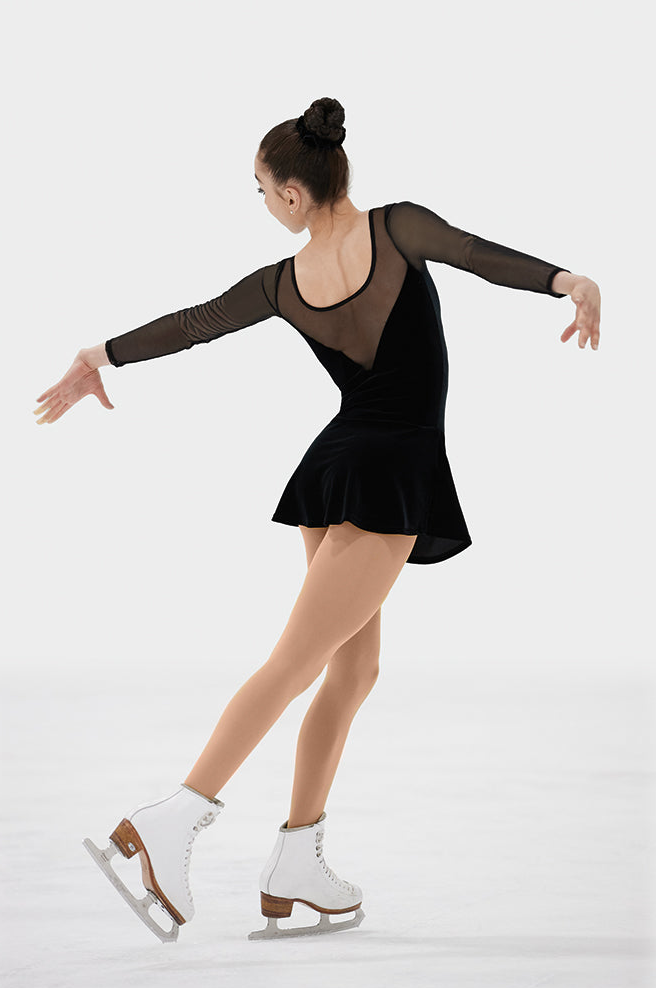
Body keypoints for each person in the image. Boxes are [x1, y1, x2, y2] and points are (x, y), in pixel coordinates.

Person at [33, 97, 602, 944]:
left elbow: (195, 324)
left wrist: (101, 356)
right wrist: (567, 281)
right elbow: (477, 255)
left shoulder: (284, 282)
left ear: (294, 194)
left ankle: (297, 857)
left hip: (340, 468)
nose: (263, 203)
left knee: (353, 669)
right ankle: (170, 819)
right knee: (298, 662)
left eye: (261, 190)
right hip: (388, 474)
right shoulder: (400, 228)